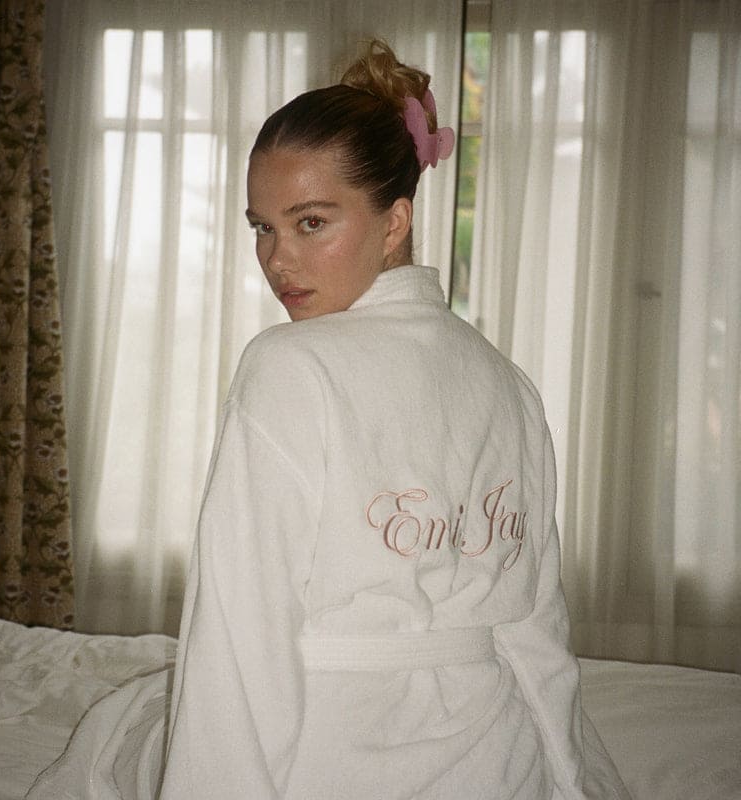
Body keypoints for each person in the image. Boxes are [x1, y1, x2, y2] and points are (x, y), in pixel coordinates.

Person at [160, 39, 629, 800]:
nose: (277, 260)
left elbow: (240, 640)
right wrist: (572, 777)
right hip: (497, 757)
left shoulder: (288, 367)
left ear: (394, 220)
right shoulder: (509, 385)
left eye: (310, 223)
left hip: (335, 752)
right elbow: (538, 634)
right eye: (262, 227)